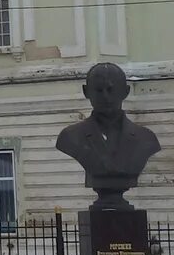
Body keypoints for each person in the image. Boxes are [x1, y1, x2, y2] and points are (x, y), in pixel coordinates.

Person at [54, 62, 162, 210]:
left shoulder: (146, 139)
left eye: (111, 90)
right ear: (86, 92)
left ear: (125, 91)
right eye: (99, 90)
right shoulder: (70, 137)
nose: (105, 96)